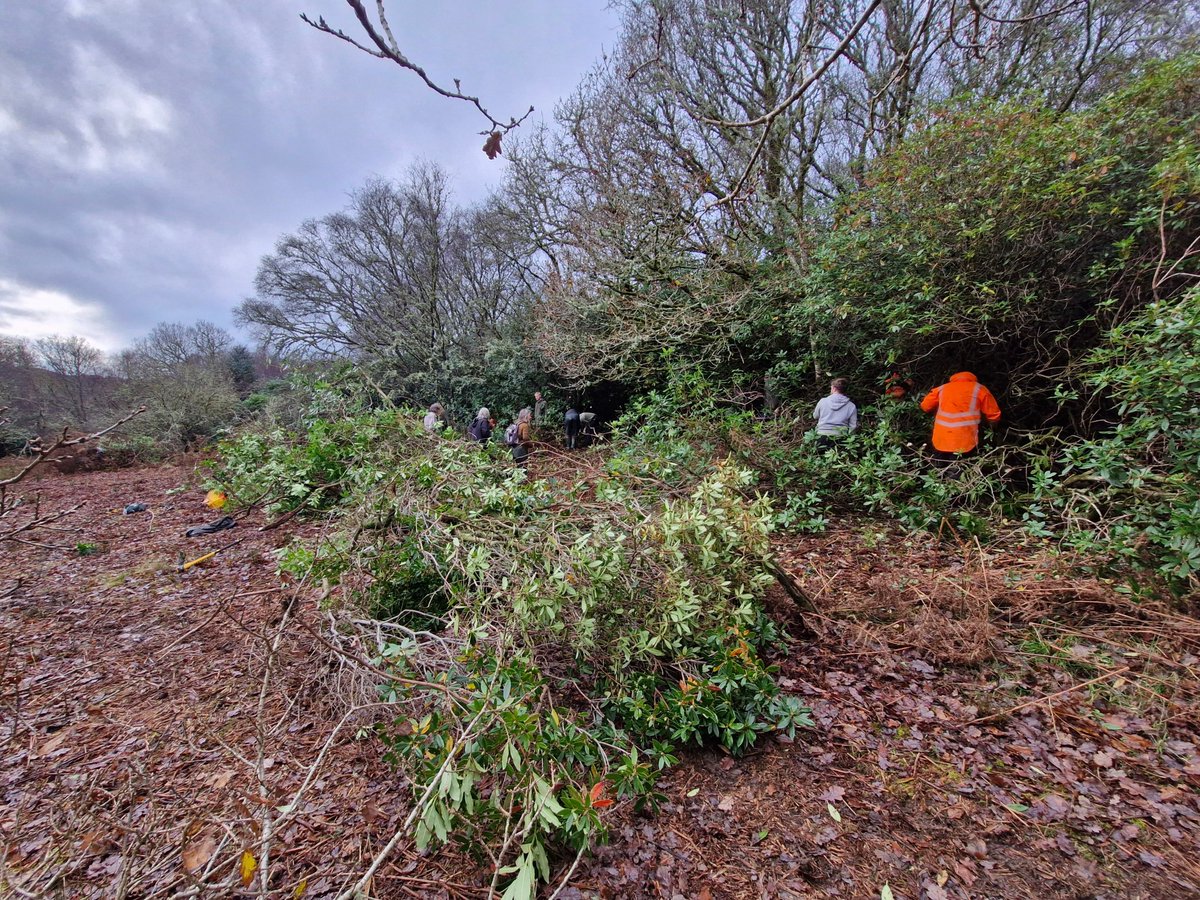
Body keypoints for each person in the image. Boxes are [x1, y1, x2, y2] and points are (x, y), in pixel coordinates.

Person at [920, 371, 1001, 464]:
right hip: (964, 439)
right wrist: (992, 429)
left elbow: (925, 406)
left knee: (939, 465)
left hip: (942, 438)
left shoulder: (942, 388)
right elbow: (994, 414)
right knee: (958, 468)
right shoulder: (979, 389)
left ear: (953, 378)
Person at [813, 378, 858, 449]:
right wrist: (849, 439)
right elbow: (853, 426)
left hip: (822, 435)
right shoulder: (851, 406)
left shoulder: (822, 401)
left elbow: (815, 416)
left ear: (834, 388)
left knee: (820, 455)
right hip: (840, 438)